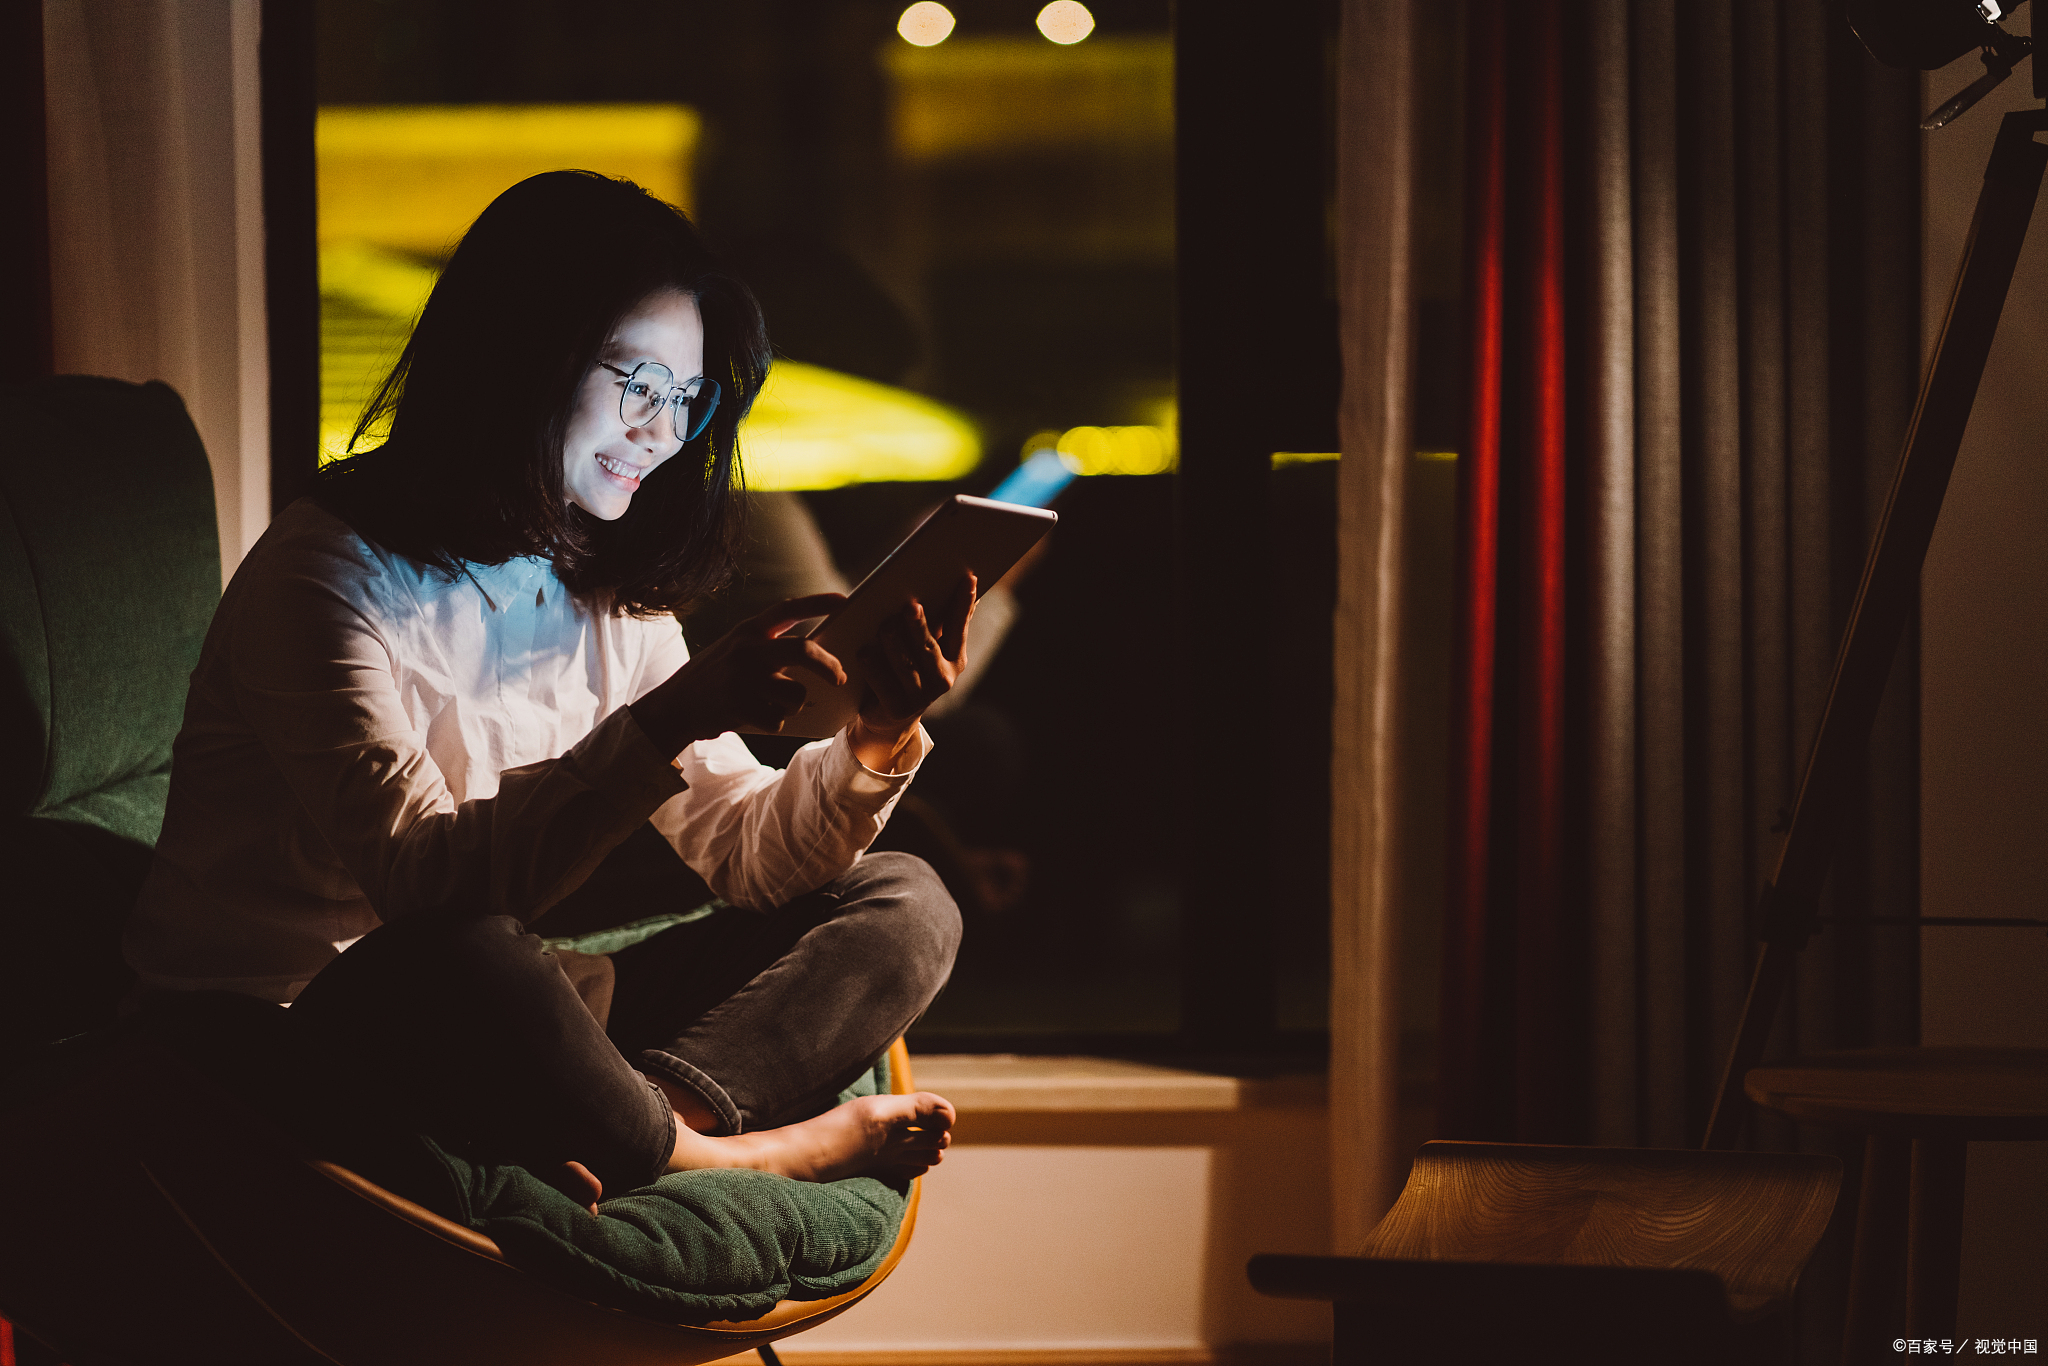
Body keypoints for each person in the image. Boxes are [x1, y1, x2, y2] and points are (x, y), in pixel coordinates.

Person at [121, 170, 972, 1208]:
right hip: (288, 1023)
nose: (662, 434)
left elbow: (748, 856)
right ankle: (730, 1154)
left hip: (524, 1014)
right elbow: (430, 893)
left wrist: (877, 734)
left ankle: (640, 1121)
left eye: (685, 399)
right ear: (521, 359)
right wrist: (674, 712)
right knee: (465, 953)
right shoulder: (325, 577)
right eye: (633, 383)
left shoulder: (600, 586)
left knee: (904, 899)